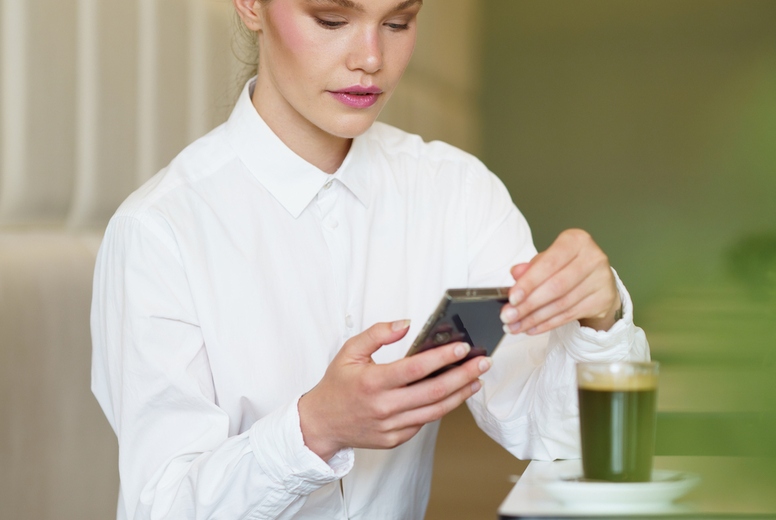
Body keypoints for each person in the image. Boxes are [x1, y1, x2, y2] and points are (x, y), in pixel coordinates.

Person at [90, 0, 649, 518]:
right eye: (333, 21)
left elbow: (560, 439)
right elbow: (159, 507)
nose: (371, 59)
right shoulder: (159, 231)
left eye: (398, 22)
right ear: (251, 5)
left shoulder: (454, 192)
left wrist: (597, 318)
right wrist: (315, 429)